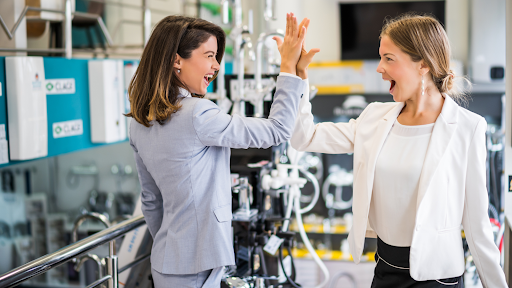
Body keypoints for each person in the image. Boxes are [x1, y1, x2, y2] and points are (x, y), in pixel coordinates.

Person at [290, 13, 507, 287]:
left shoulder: (467, 128)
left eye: (389, 59)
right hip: (385, 271)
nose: (379, 68)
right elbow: (304, 137)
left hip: (438, 278)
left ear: (423, 65)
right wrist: (296, 76)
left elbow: (478, 228)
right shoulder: (373, 119)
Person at [126, 13, 317, 288]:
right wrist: (287, 67)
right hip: (197, 266)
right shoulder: (197, 114)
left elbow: (151, 201)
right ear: (176, 60)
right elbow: (277, 131)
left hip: (167, 262)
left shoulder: (138, 121)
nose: (216, 66)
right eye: (209, 55)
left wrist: (176, 248)